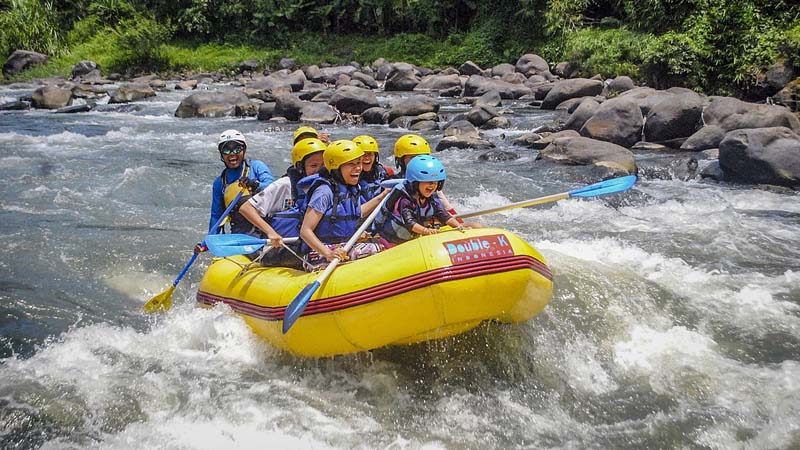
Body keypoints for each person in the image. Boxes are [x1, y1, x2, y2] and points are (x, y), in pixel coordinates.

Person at [299, 140, 389, 267]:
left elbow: (358, 212)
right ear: (336, 168)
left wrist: (383, 195)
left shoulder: (350, 188)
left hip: (343, 246)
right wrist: (328, 253)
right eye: (351, 164)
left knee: (383, 243)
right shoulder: (323, 192)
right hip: (318, 252)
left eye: (358, 163)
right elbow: (305, 231)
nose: (358, 168)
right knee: (373, 249)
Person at [238, 137, 326, 241]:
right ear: (300, 166)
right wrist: (271, 233)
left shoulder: (327, 187)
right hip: (283, 245)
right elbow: (246, 208)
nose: (319, 170)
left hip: (313, 245)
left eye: (323, 165)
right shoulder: (285, 184)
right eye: (313, 165)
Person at [375, 155, 468, 244]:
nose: (432, 186)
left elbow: (444, 216)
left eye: (435, 183)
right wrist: (426, 231)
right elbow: (409, 222)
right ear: (415, 183)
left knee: (473, 225)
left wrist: (459, 226)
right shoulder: (405, 200)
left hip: (414, 238)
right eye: (428, 182)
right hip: (394, 241)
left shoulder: (431, 199)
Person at [208, 129, 275, 233]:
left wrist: (255, 185)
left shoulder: (257, 167)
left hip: (267, 228)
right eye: (226, 150)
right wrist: (210, 238)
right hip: (240, 232)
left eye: (237, 149)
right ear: (221, 154)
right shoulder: (219, 183)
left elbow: (273, 187)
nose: (232, 154)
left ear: (244, 150)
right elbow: (216, 216)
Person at [353, 134, 394, 202]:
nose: (367, 158)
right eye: (363, 154)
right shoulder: (349, 178)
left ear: (375, 156)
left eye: (370, 154)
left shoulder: (386, 172)